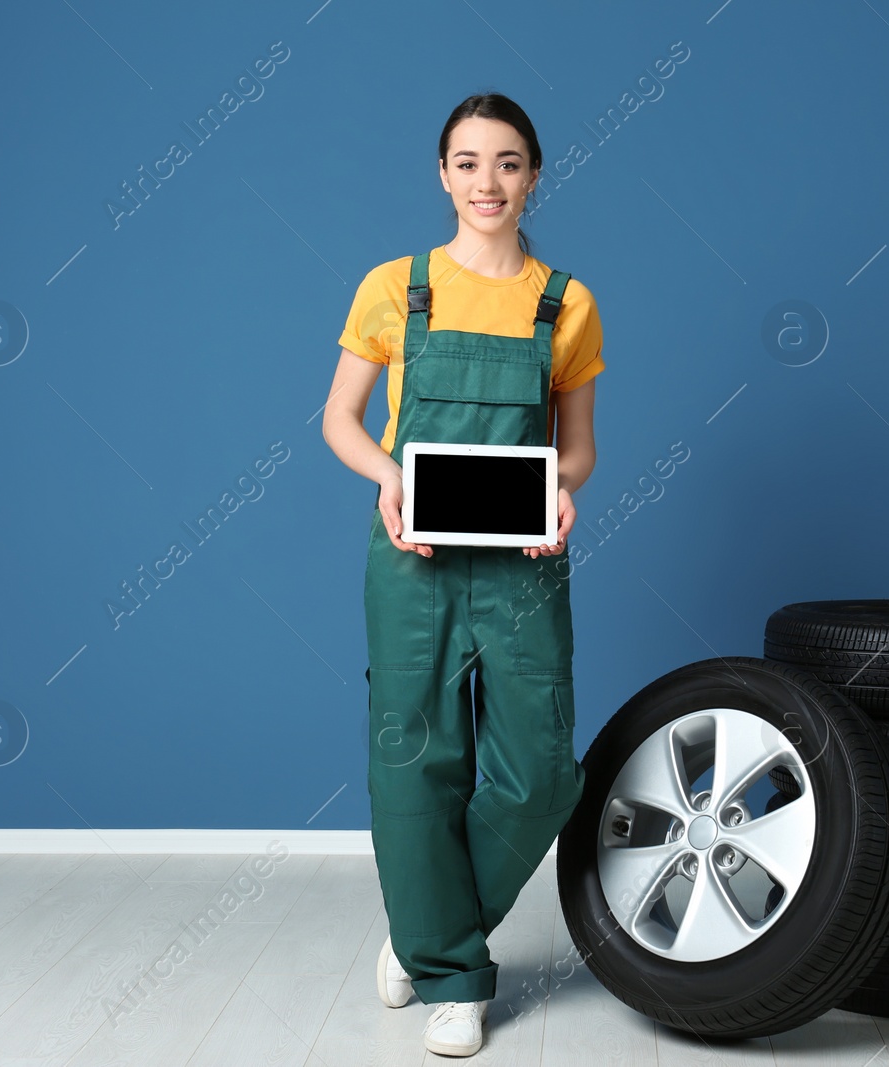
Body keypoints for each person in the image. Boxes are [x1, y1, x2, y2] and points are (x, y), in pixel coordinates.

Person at [321, 92, 603, 1058]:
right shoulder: (395, 288)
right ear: (442, 175)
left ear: (535, 175)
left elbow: (577, 454)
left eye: (510, 162)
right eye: (470, 162)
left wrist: (560, 495)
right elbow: (340, 423)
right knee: (416, 764)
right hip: (413, 558)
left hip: (523, 565)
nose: (489, 182)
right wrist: (388, 477)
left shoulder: (565, 303)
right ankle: (453, 977)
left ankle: (425, 935)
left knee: (541, 775)